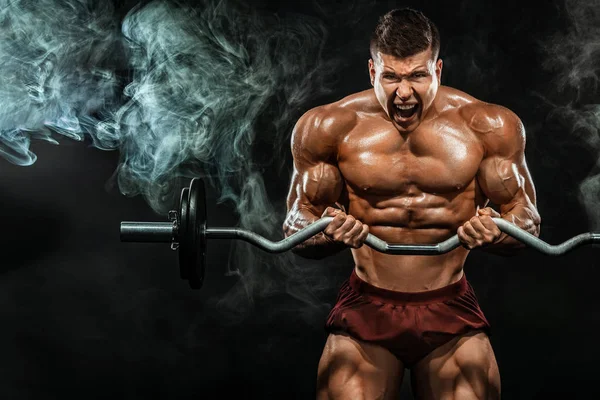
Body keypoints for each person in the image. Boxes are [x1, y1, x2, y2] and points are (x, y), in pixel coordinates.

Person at [282, 7, 541, 400]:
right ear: (373, 73)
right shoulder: (327, 127)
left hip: (448, 305)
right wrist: (328, 232)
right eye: (391, 77)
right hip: (367, 304)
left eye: (418, 76)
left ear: (438, 70)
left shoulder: (488, 126)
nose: (404, 93)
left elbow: (528, 221)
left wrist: (498, 231)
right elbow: (294, 225)